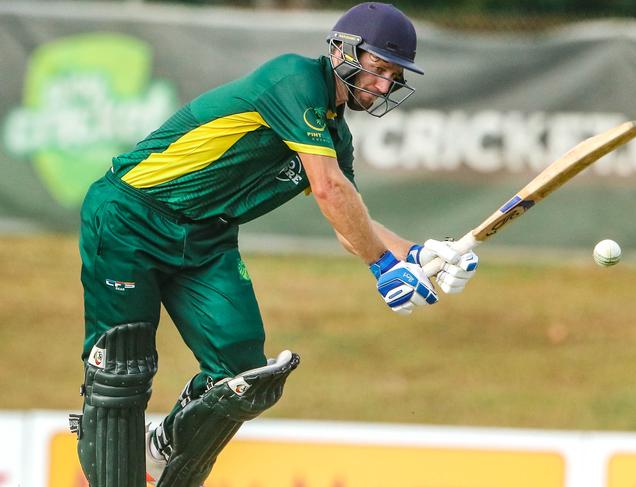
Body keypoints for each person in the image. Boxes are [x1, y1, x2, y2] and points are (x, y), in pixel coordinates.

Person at [71, 3, 479, 487]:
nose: (384, 85)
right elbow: (329, 191)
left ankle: (161, 444)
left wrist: (419, 253)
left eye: (393, 76)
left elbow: (351, 219)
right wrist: (382, 266)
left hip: (206, 239)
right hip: (131, 215)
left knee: (243, 377)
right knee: (123, 365)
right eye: (378, 68)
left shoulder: (334, 133)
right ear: (342, 51)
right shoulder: (294, 79)